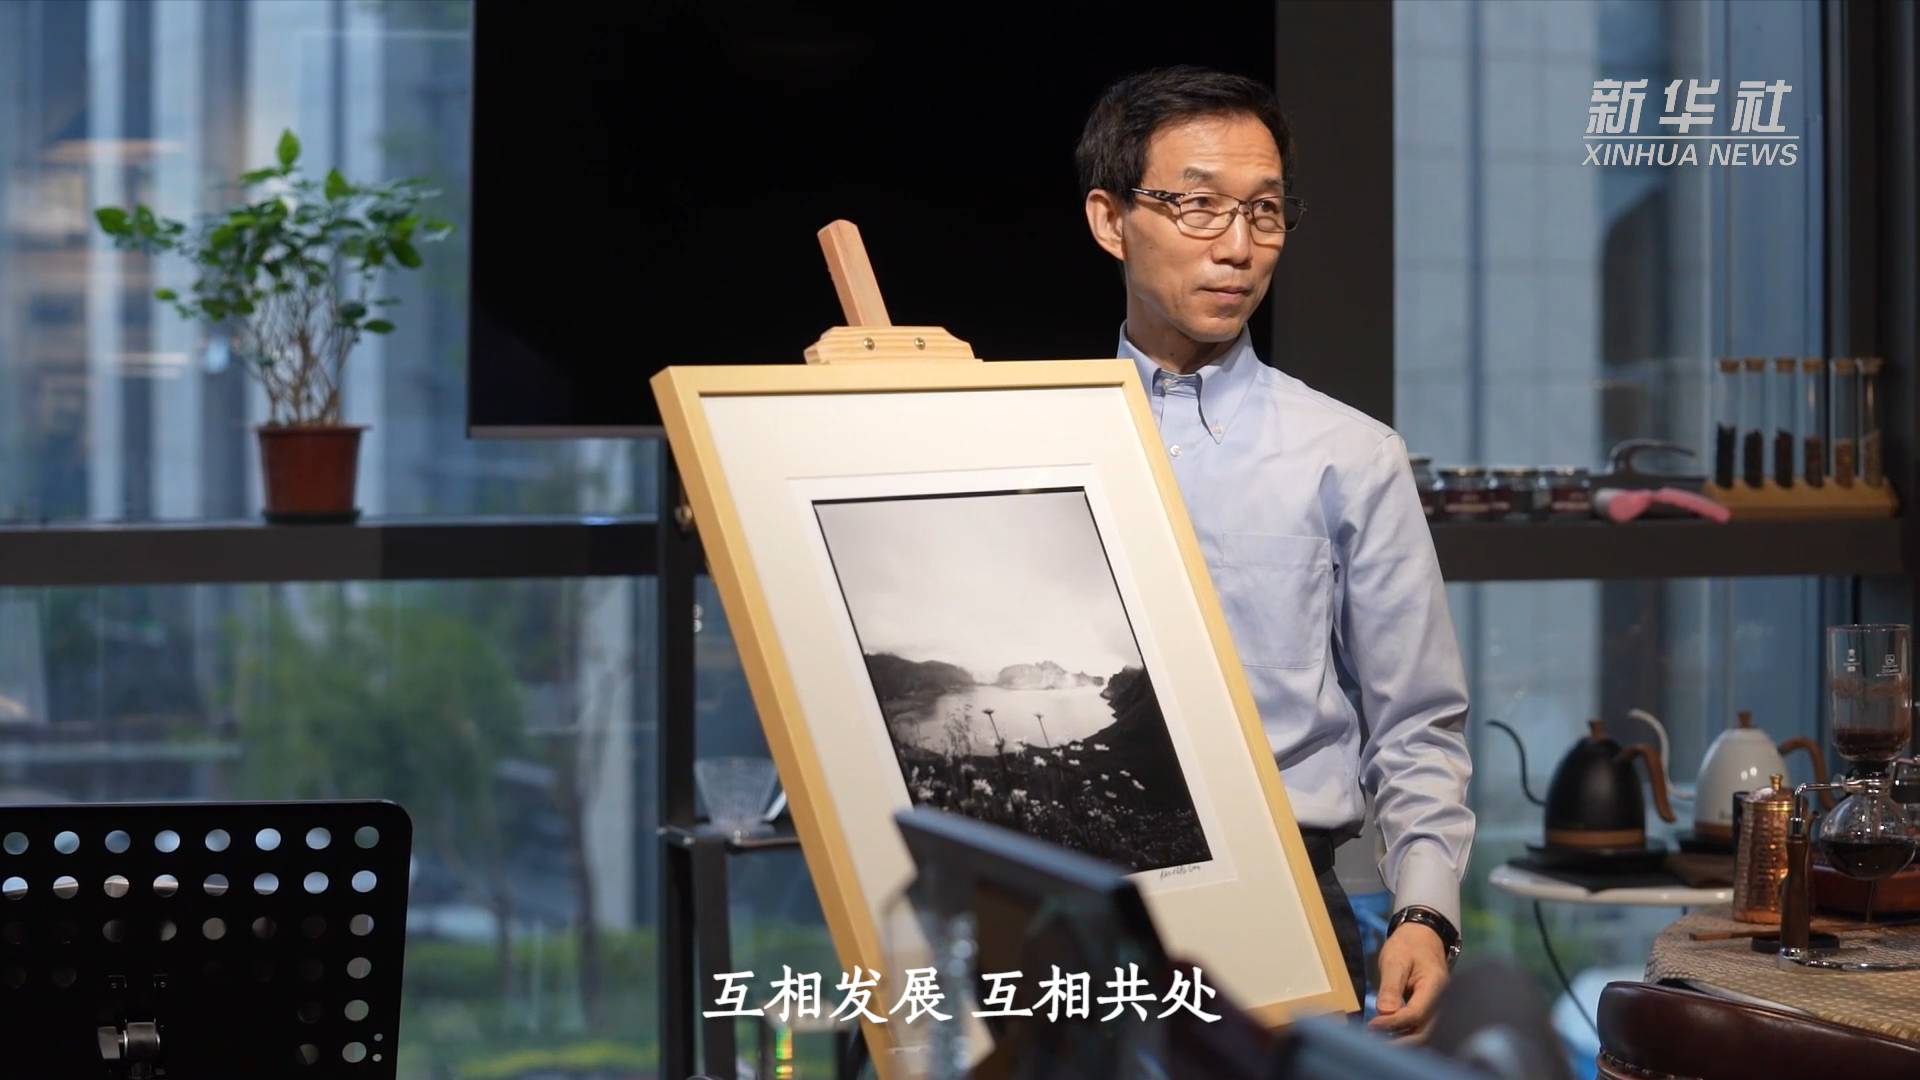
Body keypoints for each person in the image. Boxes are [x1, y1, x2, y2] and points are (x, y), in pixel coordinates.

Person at [1076, 66, 1474, 1035]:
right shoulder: (1038, 437)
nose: (1239, 246)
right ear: (1111, 219)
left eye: (1263, 210)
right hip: (1067, 898)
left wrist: (1425, 911)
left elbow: (1417, 721)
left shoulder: (1349, 455)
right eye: (1198, 206)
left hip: (1285, 903)